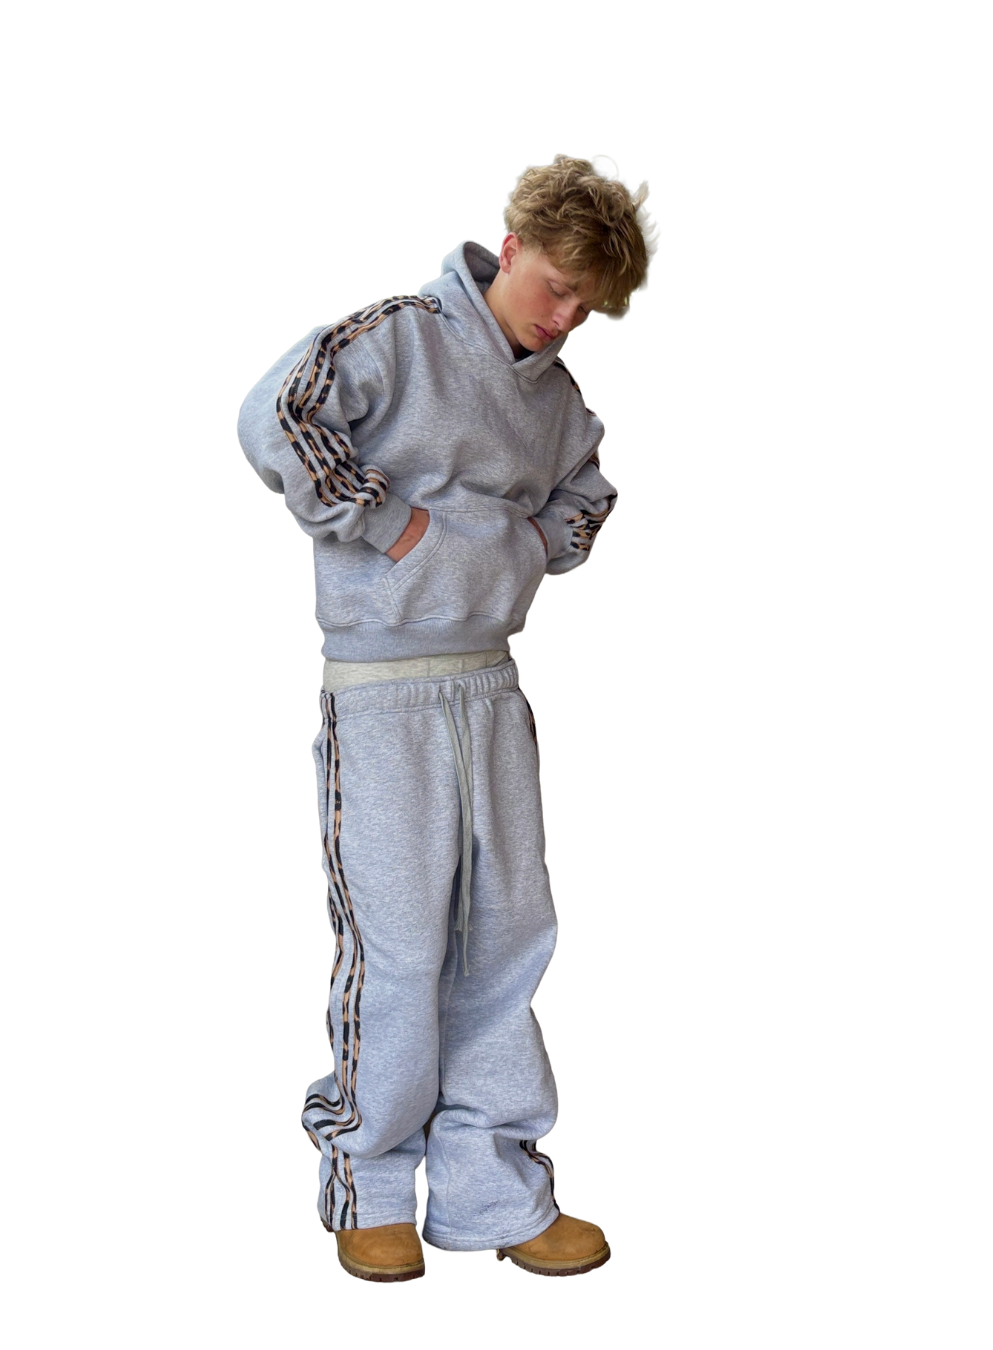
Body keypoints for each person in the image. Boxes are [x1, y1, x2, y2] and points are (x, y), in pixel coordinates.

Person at [237, 154, 656, 1282]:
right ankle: (369, 1183)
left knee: (507, 941)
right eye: (556, 286)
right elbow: (277, 414)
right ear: (511, 247)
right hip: (385, 693)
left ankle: (492, 1192)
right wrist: (392, 528)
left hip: (491, 688)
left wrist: (523, 547)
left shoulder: (554, 399)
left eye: (586, 306)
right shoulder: (400, 337)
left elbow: (588, 492)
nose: (564, 318)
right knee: (398, 947)